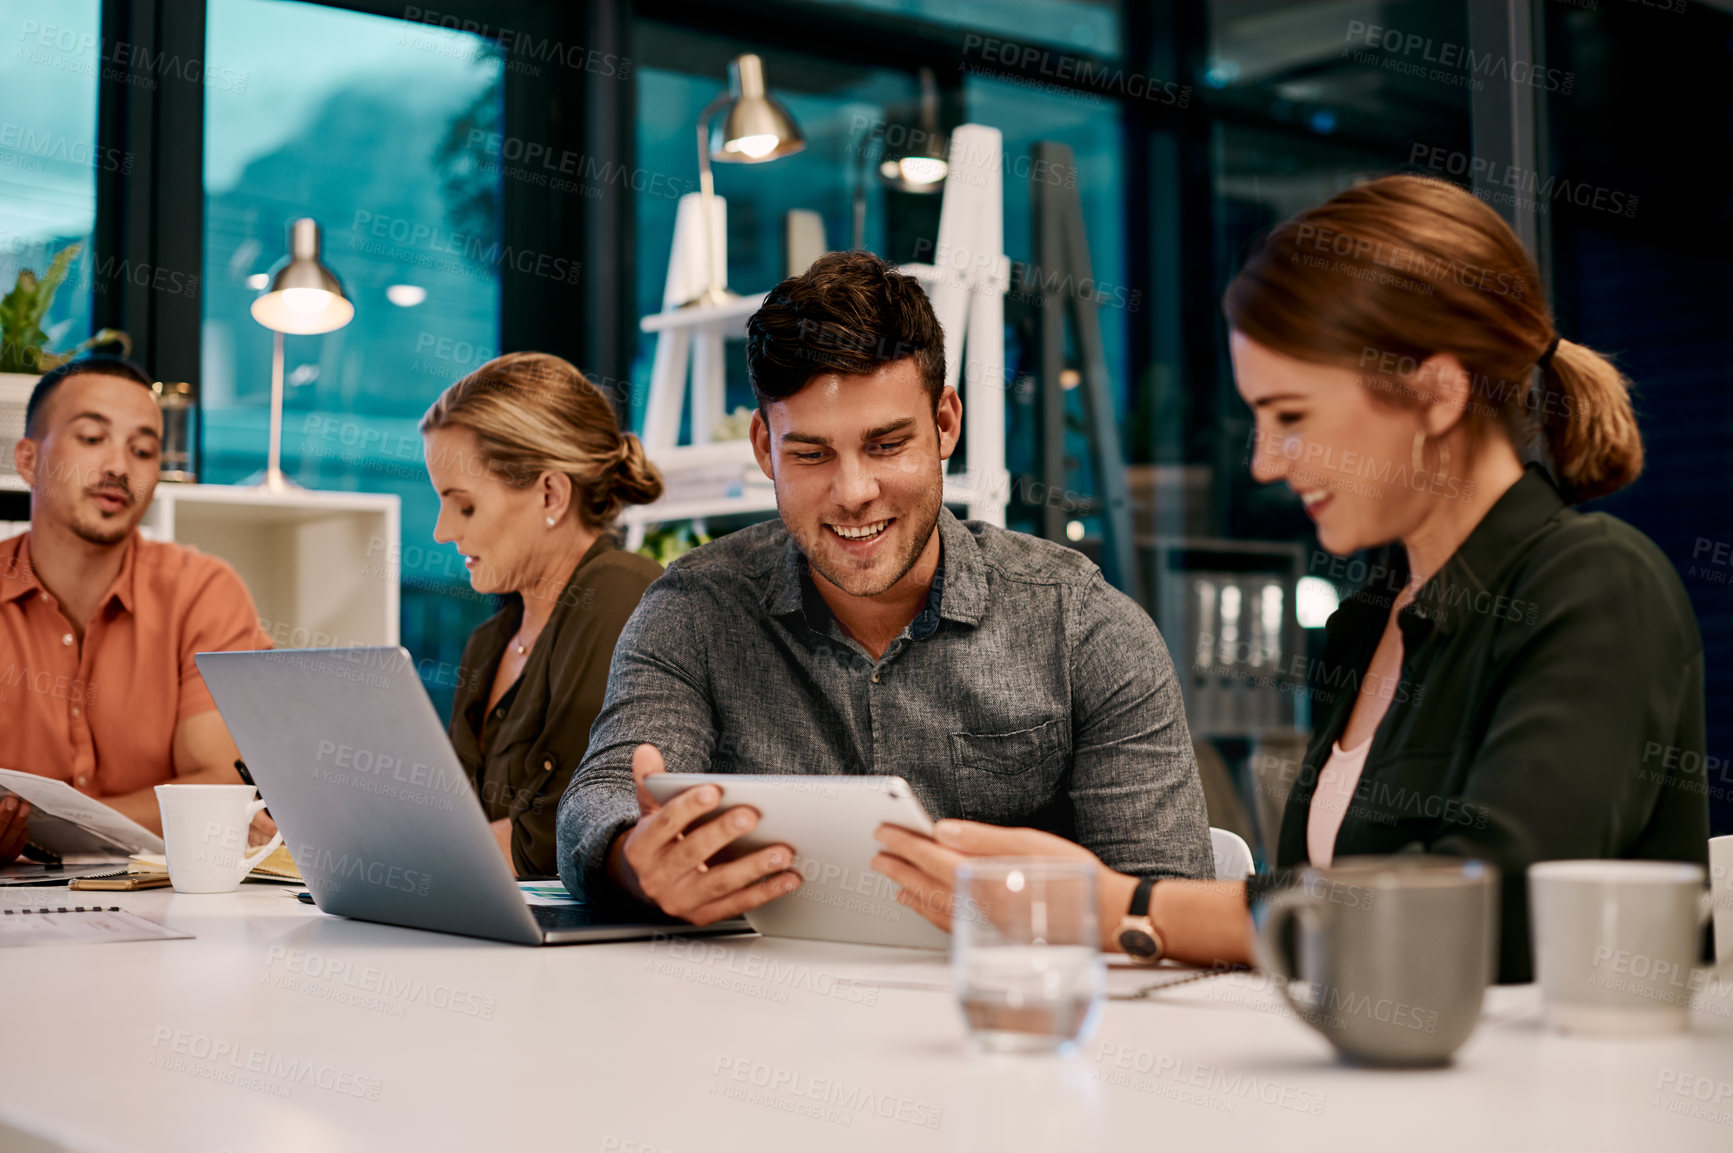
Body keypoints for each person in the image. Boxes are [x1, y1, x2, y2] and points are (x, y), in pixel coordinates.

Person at [874, 174, 1708, 984]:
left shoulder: (1597, 586)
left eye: (1292, 417)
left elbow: (1488, 910)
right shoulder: (1371, 617)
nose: (1267, 462)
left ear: (1438, 393)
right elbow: (1323, 911)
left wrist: (1112, 906)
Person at [556, 250, 1212, 925]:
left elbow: (1166, 897)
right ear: (763, 448)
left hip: (1004, 1012)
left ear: (945, 423)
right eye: (811, 454)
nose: (853, 493)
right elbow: (601, 798)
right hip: (759, 1013)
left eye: (886, 445)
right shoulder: (693, 611)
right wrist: (637, 859)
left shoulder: (1082, 625)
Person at [0, 356, 274, 864]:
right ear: (28, 461)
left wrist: (39, 831)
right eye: (91, 438)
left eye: (143, 449)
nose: (120, 467)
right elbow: (193, 808)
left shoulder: (202, 591)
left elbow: (219, 790)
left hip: (168, 907)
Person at [423, 352, 665, 878]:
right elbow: (459, 823)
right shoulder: (490, 641)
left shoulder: (620, 592)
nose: (443, 531)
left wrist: (395, 856)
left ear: (551, 493)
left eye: (463, 505)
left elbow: (562, 834)